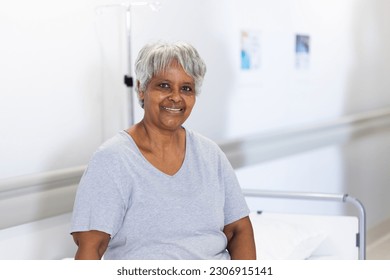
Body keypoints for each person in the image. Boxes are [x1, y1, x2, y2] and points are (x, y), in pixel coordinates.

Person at [70, 41, 256, 260]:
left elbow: (238, 230)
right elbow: (91, 247)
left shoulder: (210, 155)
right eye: (164, 86)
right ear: (141, 89)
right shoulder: (113, 159)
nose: (176, 97)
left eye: (186, 88)